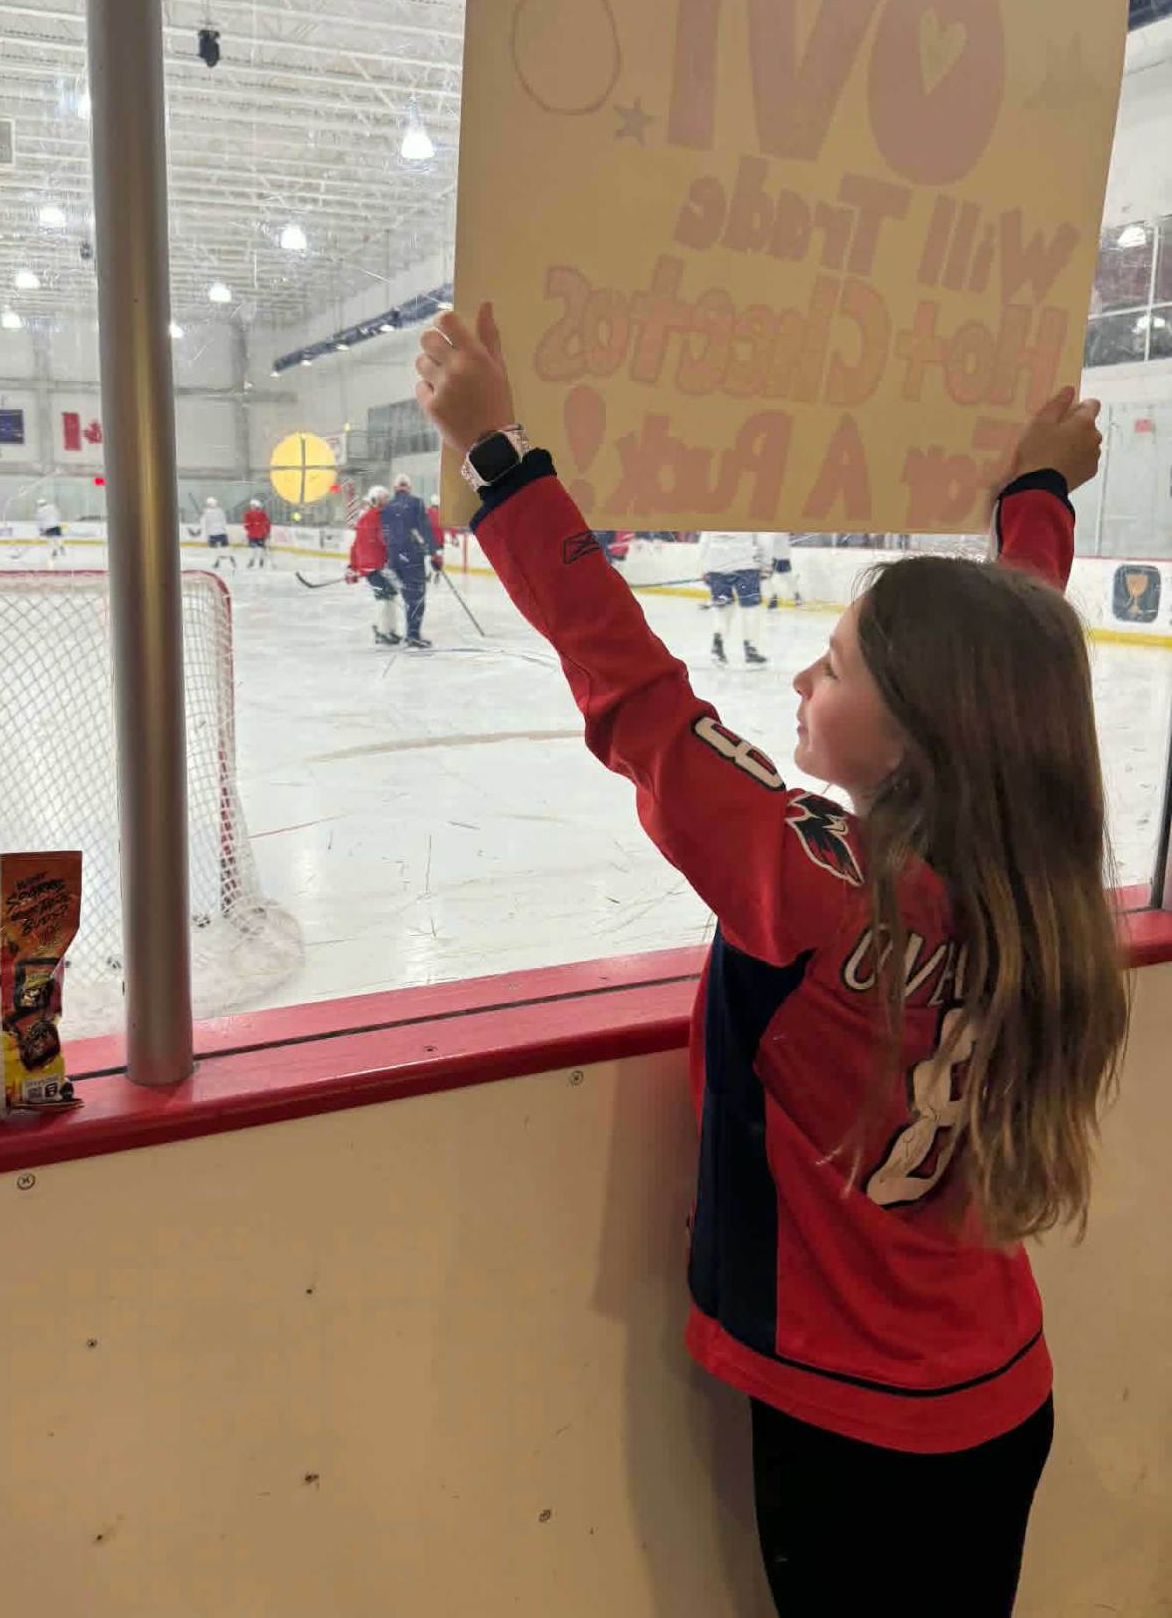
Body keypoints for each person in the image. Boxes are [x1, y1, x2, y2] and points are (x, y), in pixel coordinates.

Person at [415, 304, 1128, 1617]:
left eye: (839, 663)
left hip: (848, 1428)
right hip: (998, 1391)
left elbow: (636, 695)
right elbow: (1007, 664)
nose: (802, 673)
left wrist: (499, 459)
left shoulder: (813, 889)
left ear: (912, 741)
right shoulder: (1037, 890)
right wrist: (1033, 498)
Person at [380, 473, 441, 649]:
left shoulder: (388, 506)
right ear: (409, 487)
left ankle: (387, 630)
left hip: (394, 558)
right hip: (412, 556)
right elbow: (424, 528)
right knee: (416, 597)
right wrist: (433, 552)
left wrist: (387, 557)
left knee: (396, 595)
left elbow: (383, 534)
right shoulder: (416, 503)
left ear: (395, 488)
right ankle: (412, 634)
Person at [700, 530, 766, 666]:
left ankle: (717, 646)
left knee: (723, 609)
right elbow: (763, 541)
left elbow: (703, 543)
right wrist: (766, 563)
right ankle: (750, 650)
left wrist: (704, 568)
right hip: (746, 567)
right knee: (751, 610)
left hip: (717, 567)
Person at [345, 485, 400, 646]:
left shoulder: (364, 518)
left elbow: (356, 546)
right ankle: (383, 632)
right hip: (378, 566)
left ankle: (388, 631)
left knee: (388, 596)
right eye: (385, 499)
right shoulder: (381, 517)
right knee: (384, 598)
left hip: (373, 567)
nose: (387, 502)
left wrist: (353, 566)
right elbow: (387, 542)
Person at [763, 531, 801, 609]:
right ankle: (774, 598)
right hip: (775, 559)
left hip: (783, 558)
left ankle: (797, 596)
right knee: (767, 579)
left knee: (788, 579)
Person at [199, 496, 234, 571]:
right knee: (216, 549)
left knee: (221, 548)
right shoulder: (211, 511)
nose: (211, 505)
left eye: (211, 503)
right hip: (215, 533)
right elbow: (204, 523)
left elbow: (223, 521)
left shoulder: (213, 511)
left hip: (218, 532)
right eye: (210, 504)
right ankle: (218, 561)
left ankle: (227, 559)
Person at [243, 497, 271, 569]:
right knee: (253, 549)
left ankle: (261, 560)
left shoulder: (262, 514)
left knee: (261, 548)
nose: (252, 507)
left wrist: (267, 532)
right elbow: (246, 524)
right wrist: (251, 527)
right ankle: (252, 560)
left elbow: (267, 523)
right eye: (251, 505)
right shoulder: (248, 513)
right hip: (252, 534)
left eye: (253, 505)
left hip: (261, 534)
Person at [35, 495, 66, 561]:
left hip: (47, 527)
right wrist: (58, 522)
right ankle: (61, 546)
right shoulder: (52, 507)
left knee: (50, 539)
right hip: (56, 524)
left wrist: (40, 529)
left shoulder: (39, 511)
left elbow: (39, 521)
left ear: (39, 504)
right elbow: (58, 515)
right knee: (58, 537)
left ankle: (54, 551)